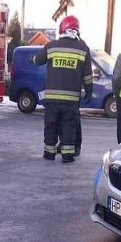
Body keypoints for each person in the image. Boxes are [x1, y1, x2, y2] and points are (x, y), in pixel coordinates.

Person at [33, 15, 93, 163]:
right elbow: (87, 75)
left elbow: (38, 60)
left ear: (62, 28)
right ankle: (67, 155)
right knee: (69, 125)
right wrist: (89, 92)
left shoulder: (52, 46)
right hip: (71, 99)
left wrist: (31, 59)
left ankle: (49, 153)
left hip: (52, 97)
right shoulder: (83, 49)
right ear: (77, 30)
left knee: (51, 124)